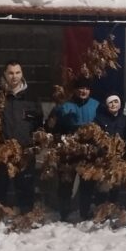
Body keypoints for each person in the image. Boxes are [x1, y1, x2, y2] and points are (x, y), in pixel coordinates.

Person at [0, 60, 44, 214]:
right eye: (11, 73)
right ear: (5, 74)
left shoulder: (31, 97)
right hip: (2, 150)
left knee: (26, 185)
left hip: (25, 150)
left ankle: (26, 216)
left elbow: (39, 123)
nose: (14, 76)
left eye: (18, 72)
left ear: (22, 74)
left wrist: (36, 144)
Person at [46, 76, 100, 220]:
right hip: (68, 150)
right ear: (75, 90)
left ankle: (84, 212)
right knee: (66, 181)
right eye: (81, 88)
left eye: (86, 88)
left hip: (88, 150)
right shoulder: (64, 106)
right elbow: (53, 127)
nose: (83, 91)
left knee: (87, 183)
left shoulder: (96, 105)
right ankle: (64, 213)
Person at [93, 92, 126, 206]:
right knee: (103, 185)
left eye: (116, 102)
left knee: (116, 184)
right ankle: (100, 208)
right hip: (103, 157)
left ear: (120, 104)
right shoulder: (99, 119)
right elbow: (95, 137)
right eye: (110, 102)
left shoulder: (125, 120)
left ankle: (112, 207)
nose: (113, 105)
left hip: (119, 157)